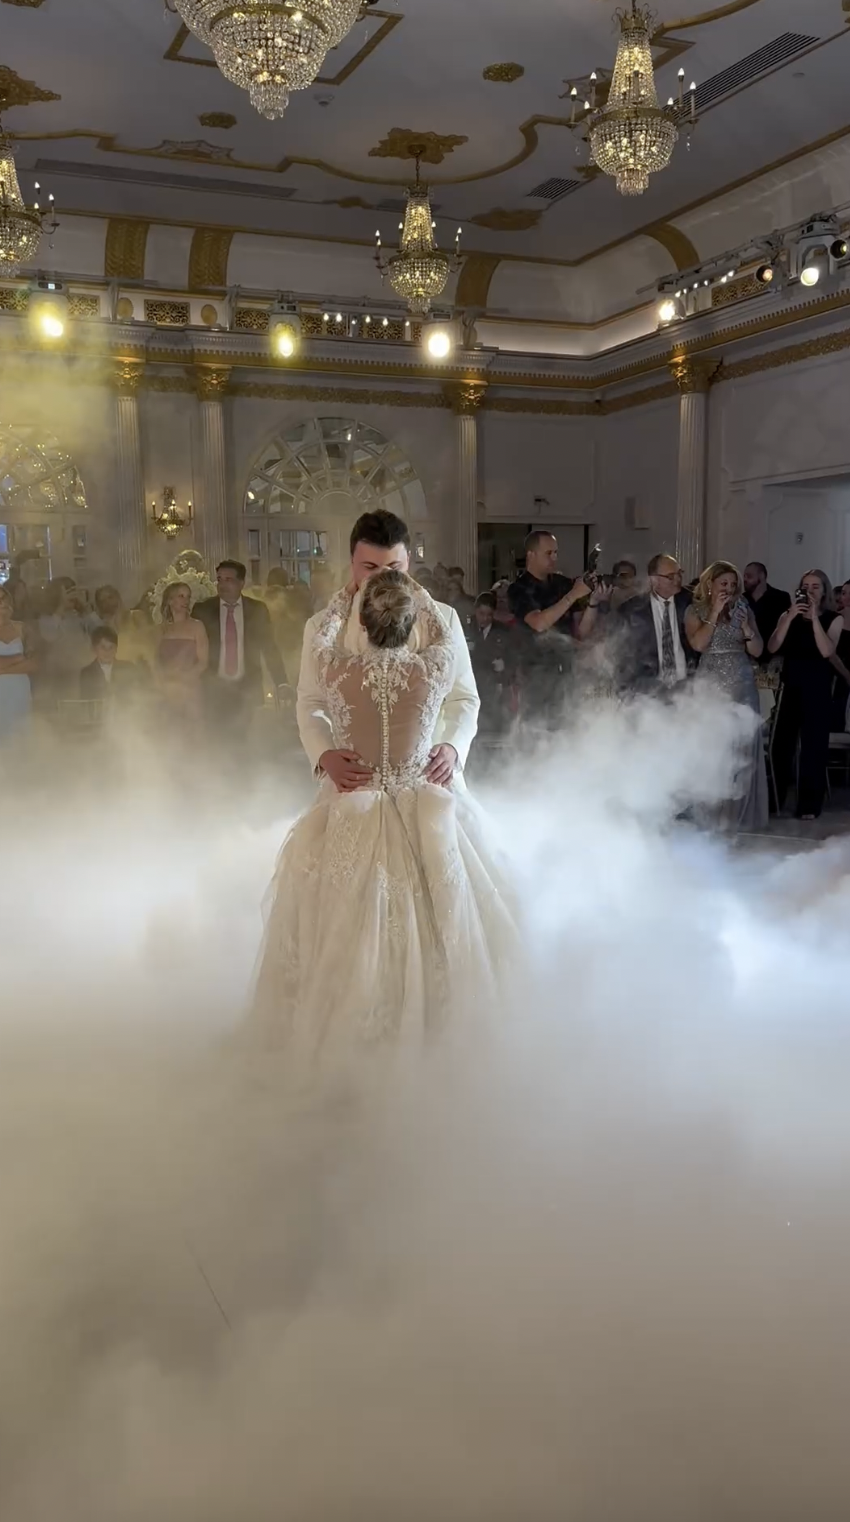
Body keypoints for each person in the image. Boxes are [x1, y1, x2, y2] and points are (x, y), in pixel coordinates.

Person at [248, 570, 517, 1064]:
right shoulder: (432, 668)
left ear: (364, 625)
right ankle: (437, 1039)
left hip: (354, 803)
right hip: (422, 809)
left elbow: (322, 641)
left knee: (338, 926)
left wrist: (342, 598)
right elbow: (441, 633)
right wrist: (420, 592)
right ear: (410, 622)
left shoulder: (336, 669)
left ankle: (343, 1042)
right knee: (437, 924)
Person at [297, 511, 479, 792]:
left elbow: (464, 695)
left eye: (394, 567)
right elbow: (311, 701)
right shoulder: (321, 625)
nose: (383, 577)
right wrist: (324, 755)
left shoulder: (444, 618)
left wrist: (454, 747)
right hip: (351, 783)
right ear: (352, 564)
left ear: (409, 563)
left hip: (429, 778)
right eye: (370, 567)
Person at [685, 561, 768, 831]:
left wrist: (746, 631)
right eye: (724, 584)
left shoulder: (743, 608)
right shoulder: (694, 609)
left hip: (742, 682)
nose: (730, 589)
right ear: (710, 584)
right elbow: (698, 644)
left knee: (742, 745)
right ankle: (711, 815)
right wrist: (715, 611)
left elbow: (757, 650)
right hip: (711, 681)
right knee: (714, 747)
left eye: (733, 585)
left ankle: (739, 814)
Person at [768, 569, 842, 820]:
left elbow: (827, 651)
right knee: (781, 746)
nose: (810, 590)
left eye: (816, 586)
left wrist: (814, 619)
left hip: (818, 689)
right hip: (790, 687)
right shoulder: (787, 615)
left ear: (824, 592)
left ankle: (809, 806)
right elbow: (772, 646)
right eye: (805, 586)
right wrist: (789, 618)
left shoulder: (834, 619)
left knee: (813, 748)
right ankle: (774, 802)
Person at [193, 560, 287, 738]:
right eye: (220, 579)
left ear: (241, 583)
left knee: (243, 742)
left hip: (246, 688)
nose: (222, 585)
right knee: (215, 741)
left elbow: (269, 647)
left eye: (229, 580)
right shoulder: (203, 609)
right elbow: (192, 648)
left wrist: (281, 681)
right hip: (213, 688)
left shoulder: (256, 609)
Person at [507, 532, 590, 720]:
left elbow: (582, 629)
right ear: (531, 555)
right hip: (536, 676)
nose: (555, 558)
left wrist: (595, 601)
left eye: (556, 552)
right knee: (538, 733)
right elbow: (538, 623)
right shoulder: (519, 589)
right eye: (549, 553)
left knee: (570, 730)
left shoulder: (563, 584)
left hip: (568, 672)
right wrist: (573, 596)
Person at [617, 553, 694, 694]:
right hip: (648, 686)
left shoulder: (691, 601)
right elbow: (623, 652)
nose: (677, 579)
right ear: (654, 580)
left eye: (679, 573)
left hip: (686, 684)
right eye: (670, 576)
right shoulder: (632, 609)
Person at [154, 582, 209, 721]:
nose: (185, 601)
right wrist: (164, 682)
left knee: (190, 731)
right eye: (181, 596)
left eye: (188, 597)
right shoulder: (161, 630)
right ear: (170, 600)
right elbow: (155, 661)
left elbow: (203, 662)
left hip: (190, 689)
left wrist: (184, 680)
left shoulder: (197, 626)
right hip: (166, 689)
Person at [468, 591, 517, 736]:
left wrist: (505, 667)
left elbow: (514, 658)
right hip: (471, 683)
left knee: (493, 725)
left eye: (489, 614)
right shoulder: (465, 629)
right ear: (475, 611)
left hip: (495, 686)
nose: (484, 618)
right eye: (481, 613)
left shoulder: (504, 631)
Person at [0, 583, 36, 743]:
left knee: (21, 738)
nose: (3, 604)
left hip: (20, 690)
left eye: (4, 599)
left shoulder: (22, 628)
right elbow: (25, 660)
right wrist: (18, 658)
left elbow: (35, 663)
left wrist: (3, 669)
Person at [744, 562, 791, 650]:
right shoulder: (742, 600)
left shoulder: (781, 598)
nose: (745, 579)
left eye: (749, 576)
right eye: (744, 576)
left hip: (775, 654)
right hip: (749, 654)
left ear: (761, 576)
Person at [829, 580, 850, 732]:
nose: (846, 598)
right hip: (836, 674)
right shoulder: (834, 619)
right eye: (843, 593)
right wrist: (847, 675)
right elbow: (830, 653)